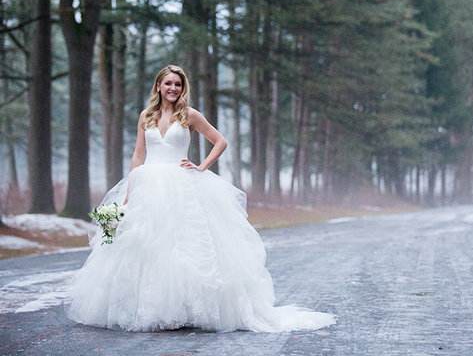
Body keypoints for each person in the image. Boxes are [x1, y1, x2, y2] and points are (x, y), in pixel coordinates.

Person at [66, 65, 336, 333]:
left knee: (184, 246)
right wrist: (129, 193)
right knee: (146, 246)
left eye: (178, 84)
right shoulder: (146, 116)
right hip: (148, 185)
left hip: (181, 184)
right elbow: (138, 155)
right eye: (168, 83)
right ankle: (152, 308)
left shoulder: (189, 115)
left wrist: (202, 166)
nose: (173, 88)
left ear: (183, 89)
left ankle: (188, 309)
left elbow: (219, 141)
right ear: (158, 86)